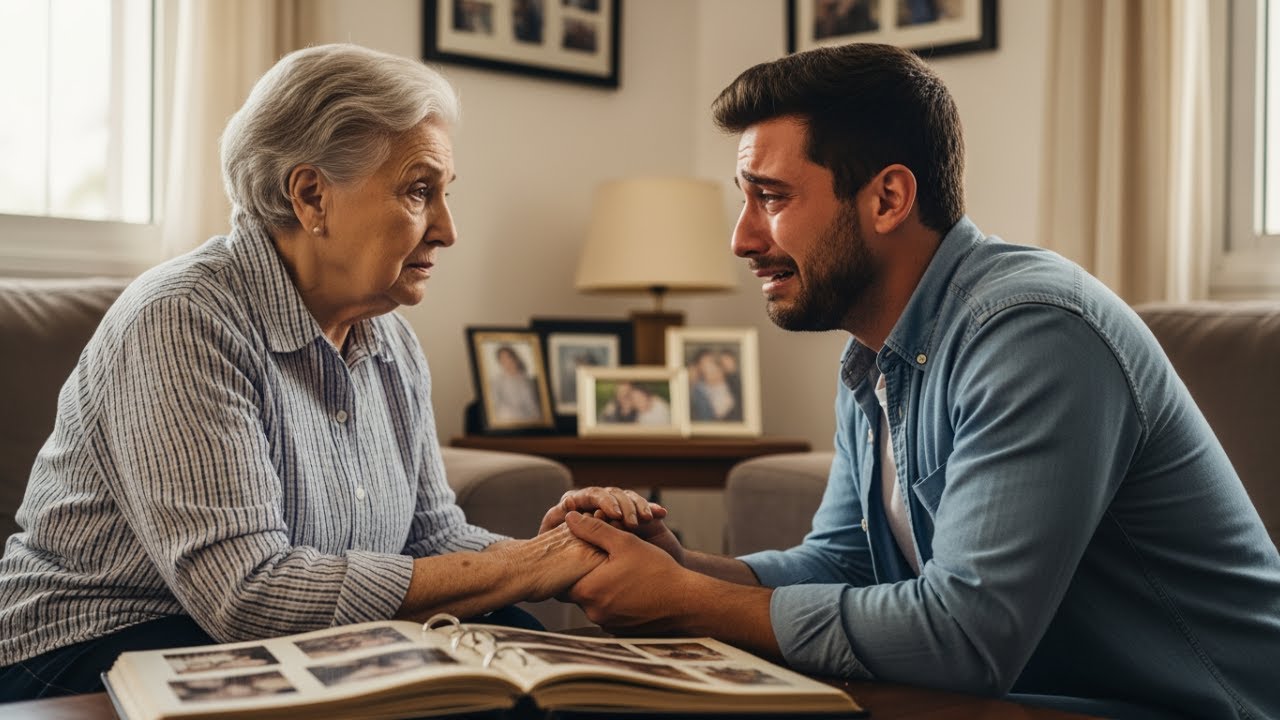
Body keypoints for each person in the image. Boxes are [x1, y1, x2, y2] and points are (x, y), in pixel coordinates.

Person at [542, 44, 1280, 719]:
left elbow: (965, 637)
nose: (741, 237)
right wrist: (685, 565)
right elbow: (844, 562)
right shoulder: (872, 353)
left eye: (770, 197)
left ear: (889, 198)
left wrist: (690, 602)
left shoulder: (1032, 331)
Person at [0, 44, 602, 701]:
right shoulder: (184, 318)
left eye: (444, 194)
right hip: (90, 647)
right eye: (419, 191)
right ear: (312, 195)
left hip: (260, 641)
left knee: (525, 653)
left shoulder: (391, 341)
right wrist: (529, 567)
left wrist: (579, 549)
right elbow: (246, 594)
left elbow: (434, 538)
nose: (448, 230)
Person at [489, 344, 542, 423]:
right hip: (508, 420)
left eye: (508, 357)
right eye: (502, 359)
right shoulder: (497, 381)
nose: (506, 362)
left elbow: (534, 406)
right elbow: (495, 406)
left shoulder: (528, 380)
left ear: (515, 358)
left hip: (530, 421)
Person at [688, 349, 740, 422]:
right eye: (704, 367)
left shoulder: (733, 386)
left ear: (720, 370)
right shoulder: (699, 389)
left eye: (711, 366)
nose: (707, 371)